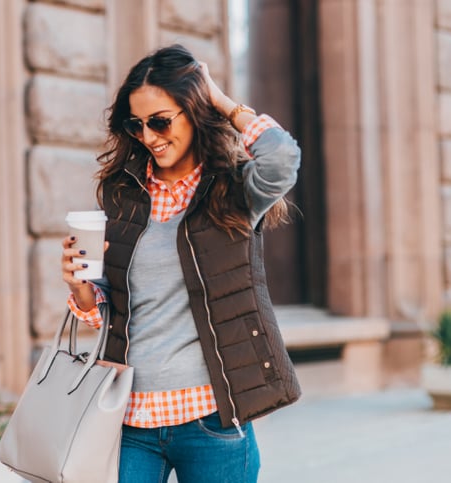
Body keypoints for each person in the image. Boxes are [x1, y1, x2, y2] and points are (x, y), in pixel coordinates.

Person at [60, 44, 302, 483]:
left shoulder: (232, 191)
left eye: (160, 121)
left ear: (194, 111)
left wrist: (223, 101)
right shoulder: (124, 193)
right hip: (130, 419)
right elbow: (111, 311)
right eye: (137, 125)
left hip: (212, 419)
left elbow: (282, 159)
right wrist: (81, 287)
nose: (149, 137)